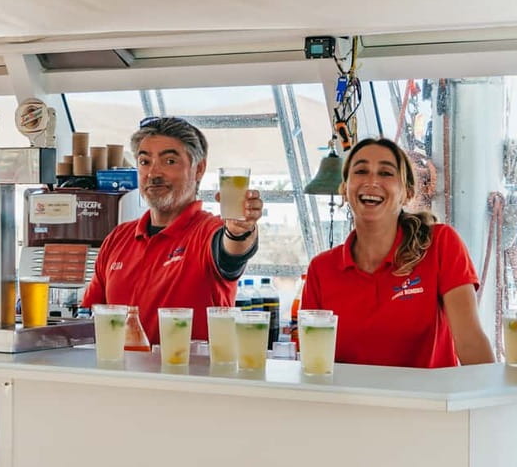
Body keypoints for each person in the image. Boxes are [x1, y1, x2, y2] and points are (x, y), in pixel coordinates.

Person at [302, 137, 494, 368]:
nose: (372, 181)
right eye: (361, 171)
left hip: (428, 403)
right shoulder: (321, 269)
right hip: (350, 403)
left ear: (407, 193)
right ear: (344, 189)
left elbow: (471, 344)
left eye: (386, 173)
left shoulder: (441, 244)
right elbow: (313, 363)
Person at [81, 117, 263, 344]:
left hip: (192, 378)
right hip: (121, 377)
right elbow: (88, 322)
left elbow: (233, 246)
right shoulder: (118, 238)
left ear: (199, 169)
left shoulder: (208, 232)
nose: (153, 173)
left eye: (169, 161)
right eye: (145, 162)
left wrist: (241, 228)